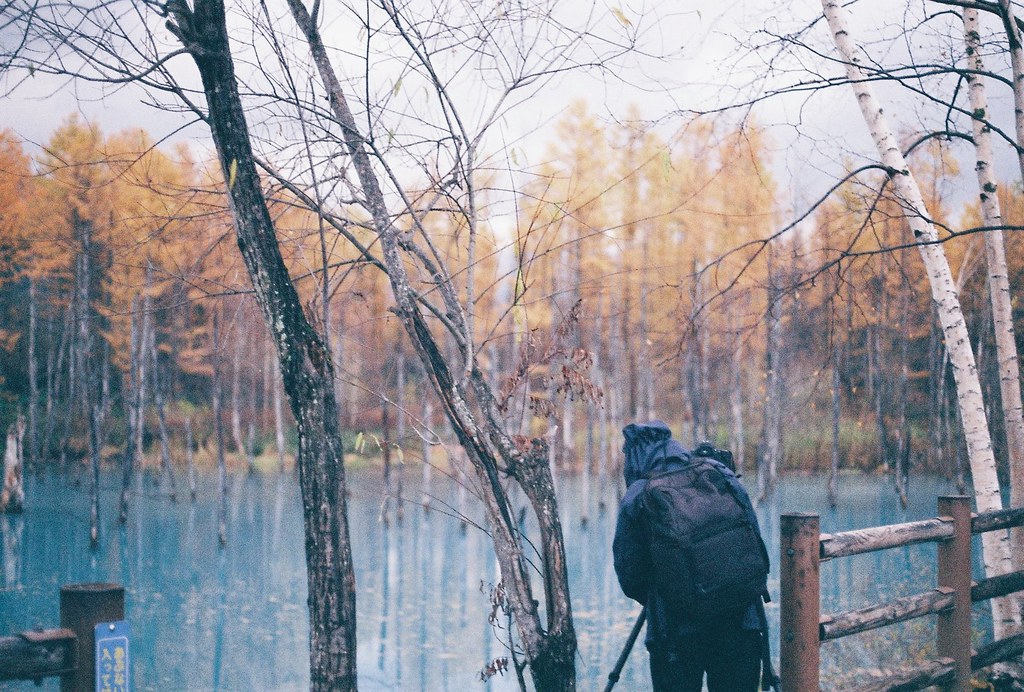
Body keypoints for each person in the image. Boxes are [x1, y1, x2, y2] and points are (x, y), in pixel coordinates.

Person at [612, 420, 768, 692]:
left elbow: (630, 576)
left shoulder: (638, 495)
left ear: (634, 455)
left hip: (675, 634)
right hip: (741, 620)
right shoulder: (718, 472)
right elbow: (753, 537)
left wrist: (673, 590)